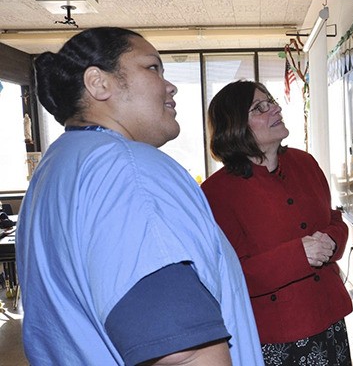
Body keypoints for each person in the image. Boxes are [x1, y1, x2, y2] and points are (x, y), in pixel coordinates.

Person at [16, 27, 264, 366]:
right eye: (152, 68)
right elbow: (183, 354)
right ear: (99, 83)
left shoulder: (59, 164)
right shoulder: (127, 170)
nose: (170, 85)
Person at [201, 80, 353, 365]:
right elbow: (229, 273)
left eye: (271, 101)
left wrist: (332, 240)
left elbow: (334, 219)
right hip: (278, 334)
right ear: (235, 126)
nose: (275, 108)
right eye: (260, 107)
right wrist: (299, 255)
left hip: (331, 316)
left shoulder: (305, 163)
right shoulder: (216, 192)